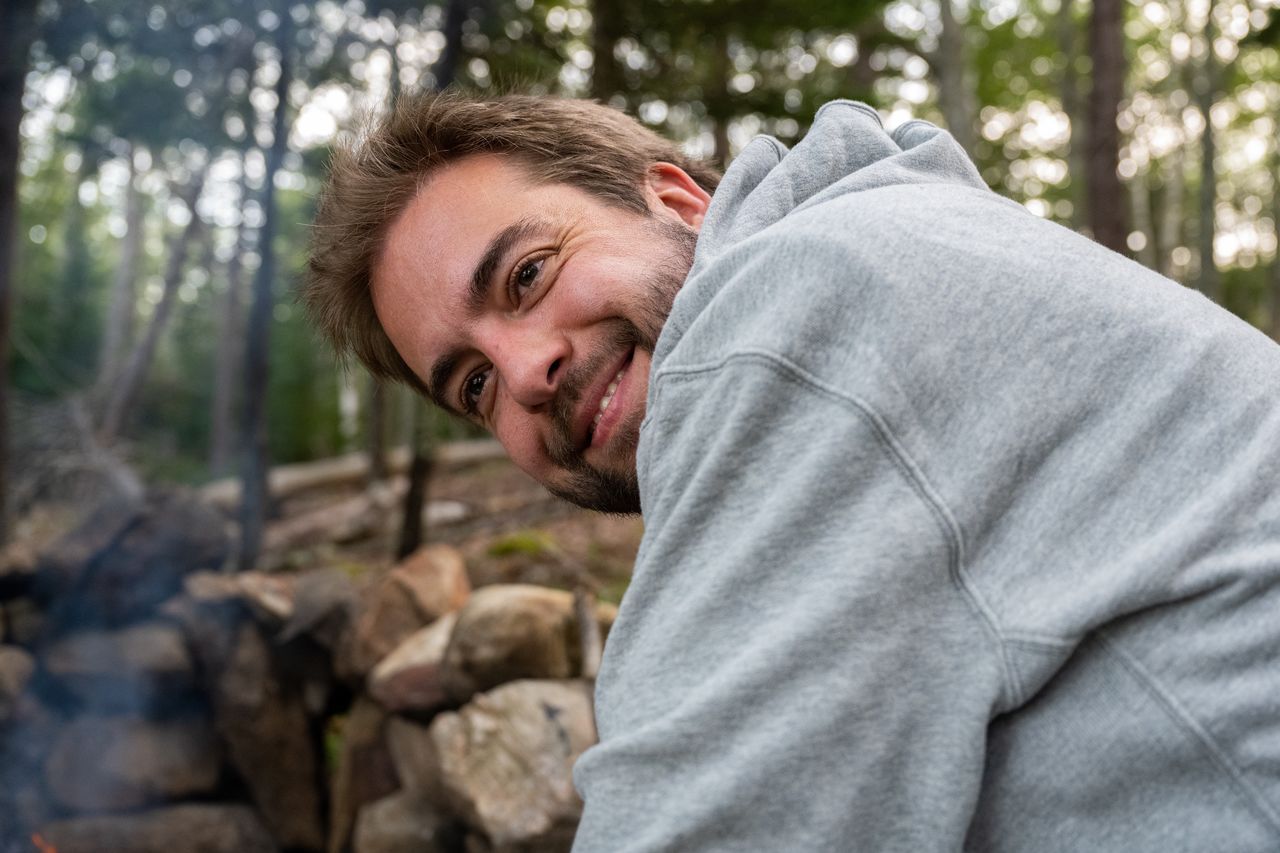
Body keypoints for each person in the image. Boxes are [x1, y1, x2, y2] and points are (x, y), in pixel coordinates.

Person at [303, 93, 1280, 851]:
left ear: (678, 199)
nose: (523, 373)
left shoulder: (801, 309)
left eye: (526, 274)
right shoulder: (886, 257)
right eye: (472, 385)